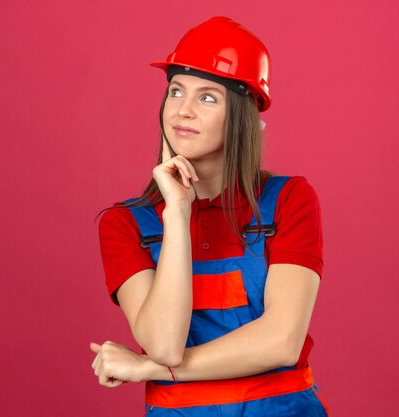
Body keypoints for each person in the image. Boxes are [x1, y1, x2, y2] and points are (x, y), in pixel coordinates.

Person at [90, 16, 330, 417]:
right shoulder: (125, 224)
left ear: (241, 115)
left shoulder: (289, 199)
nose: (182, 110)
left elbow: (282, 341)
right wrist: (178, 215)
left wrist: (150, 368)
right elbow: (165, 343)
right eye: (176, 91)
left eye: (207, 97)